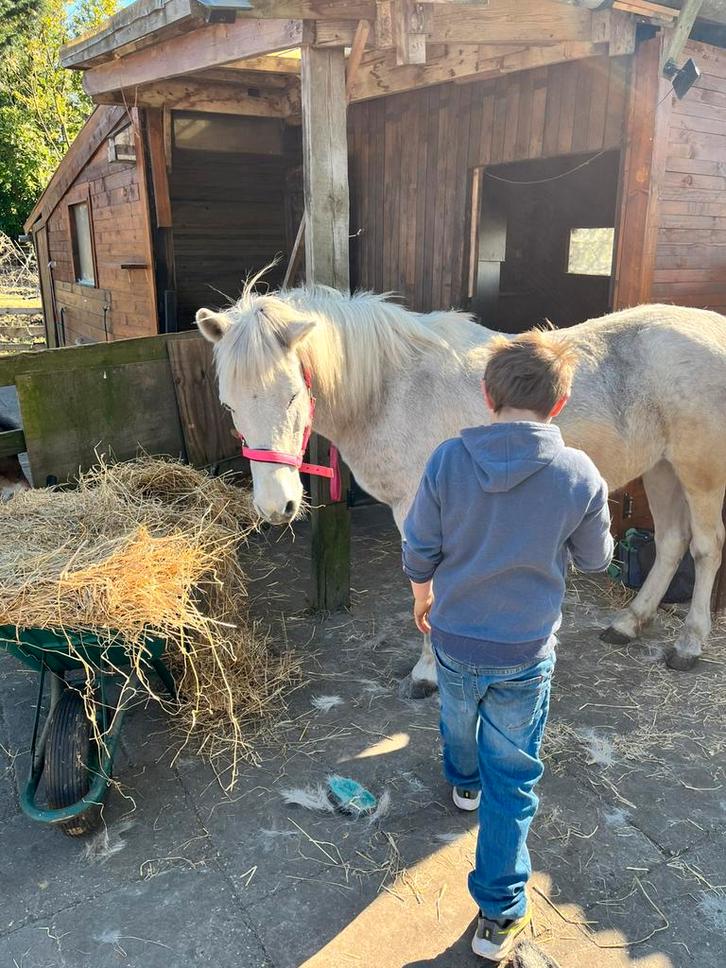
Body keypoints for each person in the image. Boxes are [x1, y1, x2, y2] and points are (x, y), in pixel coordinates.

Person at [402, 330, 613, 962]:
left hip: (455, 637)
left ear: (488, 395)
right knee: (514, 780)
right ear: (562, 402)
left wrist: (422, 595)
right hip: (526, 650)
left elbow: (419, 547)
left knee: (457, 715)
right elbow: (598, 560)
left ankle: (461, 781)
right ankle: (499, 916)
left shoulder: (446, 459)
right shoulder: (579, 472)